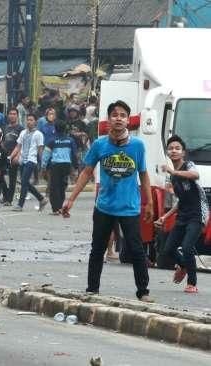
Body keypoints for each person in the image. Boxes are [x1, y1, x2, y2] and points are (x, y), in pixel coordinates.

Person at [62, 100, 154, 303]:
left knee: (136, 249)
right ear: (109, 119)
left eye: (123, 115)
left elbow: (144, 174)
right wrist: (71, 199)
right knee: (97, 249)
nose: (118, 118)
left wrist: (149, 203)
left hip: (129, 208)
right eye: (115, 114)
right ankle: (92, 289)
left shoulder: (137, 146)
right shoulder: (99, 144)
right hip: (104, 206)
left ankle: (143, 291)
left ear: (128, 121)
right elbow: (86, 172)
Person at [155, 135, 208, 294]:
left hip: (198, 214)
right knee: (168, 249)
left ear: (183, 152)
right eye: (171, 148)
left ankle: (192, 283)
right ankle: (184, 265)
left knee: (187, 246)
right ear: (167, 152)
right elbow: (180, 201)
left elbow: (195, 175)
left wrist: (174, 172)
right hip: (183, 215)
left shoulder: (188, 165)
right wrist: (165, 217)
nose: (174, 151)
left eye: (177, 148)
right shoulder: (173, 176)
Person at [9, 114, 49, 211]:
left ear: (35, 122)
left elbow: (40, 150)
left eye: (31, 120)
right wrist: (11, 156)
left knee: (23, 182)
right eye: (28, 120)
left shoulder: (38, 134)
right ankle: (41, 199)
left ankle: (20, 205)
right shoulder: (23, 133)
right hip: (22, 160)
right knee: (25, 182)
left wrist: (42, 164)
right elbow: (18, 146)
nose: (29, 122)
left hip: (31, 160)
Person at [42, 121, 78, 215]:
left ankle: (55, 209)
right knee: (62, 186)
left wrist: (43, 167)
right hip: (66, 166)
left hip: (55, 166)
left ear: (55, 129)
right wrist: (76, 167)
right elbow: (74, 155)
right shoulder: (70, 140)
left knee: (54, 188)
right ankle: (60, 207)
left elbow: (46, 155)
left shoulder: (51, 140)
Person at [1, 108, 24, 205]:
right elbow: (1, 140)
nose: (12, 115)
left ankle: (9, 200)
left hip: (14, 155)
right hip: (4, 155)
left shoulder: (21, 128)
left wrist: (17, 155)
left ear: (17, 116)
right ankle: (6, 195)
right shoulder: (5, 127)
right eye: (10, 113)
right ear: (8, 115)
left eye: (14, 114)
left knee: (12, 178)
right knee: (0, 176)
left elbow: (22, 144)